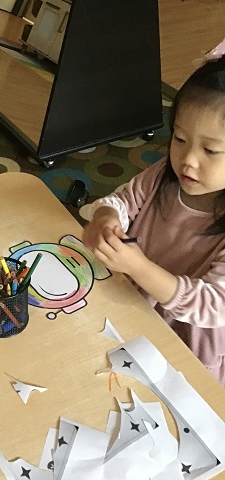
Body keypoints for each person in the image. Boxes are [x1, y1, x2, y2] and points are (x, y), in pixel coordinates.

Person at [82, 39, 225, 387]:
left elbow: (213, 305)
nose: (188, 160)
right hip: (132, 304)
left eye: (210, 150)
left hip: (187, 342)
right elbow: (123, 200)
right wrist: (106, 217)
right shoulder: (165, 175)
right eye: (179, 138)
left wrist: (139, 267)